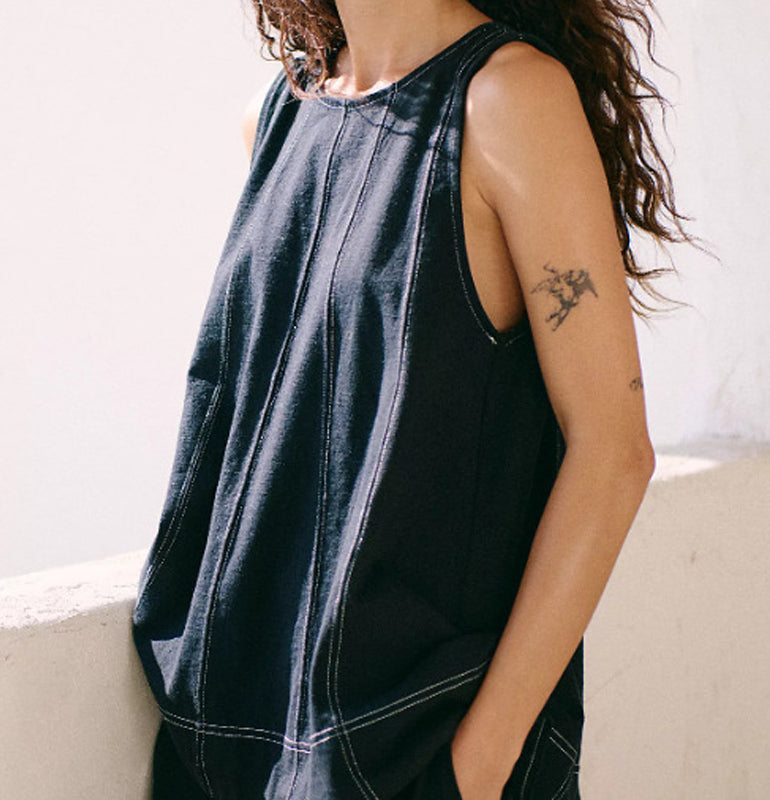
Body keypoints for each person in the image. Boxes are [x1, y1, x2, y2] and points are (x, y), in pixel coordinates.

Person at [131, 1, 703, 798]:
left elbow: (612, 449)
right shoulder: (280, 113)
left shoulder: (507, 100)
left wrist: (476, 768)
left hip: (410, 750)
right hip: (230, 744)